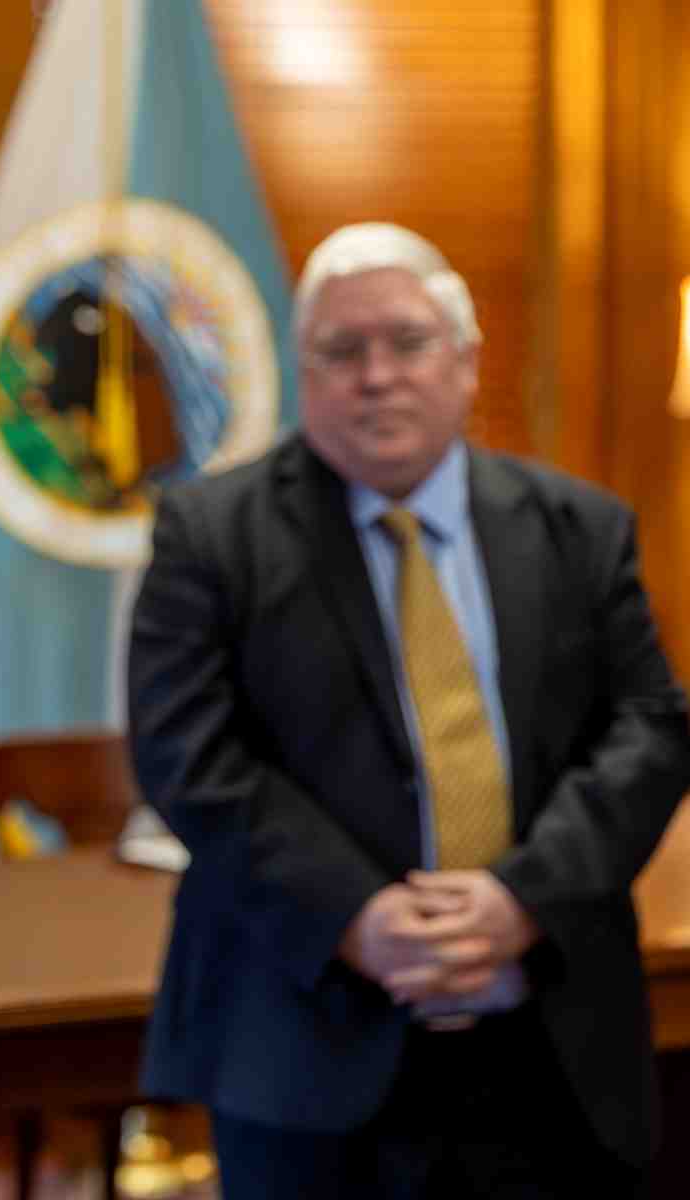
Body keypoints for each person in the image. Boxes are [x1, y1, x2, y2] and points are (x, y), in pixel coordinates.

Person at [126, 222, 690, 1199]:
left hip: (552, 1046)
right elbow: (187, 757)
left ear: (466, 363)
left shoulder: (579, 528)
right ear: (305, 375)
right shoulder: (209, 536)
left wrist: (524, 897)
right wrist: (357, 913)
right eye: (343, 352)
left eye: (408, 342)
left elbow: (649, 727)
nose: (377, 376)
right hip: (306, 1048)